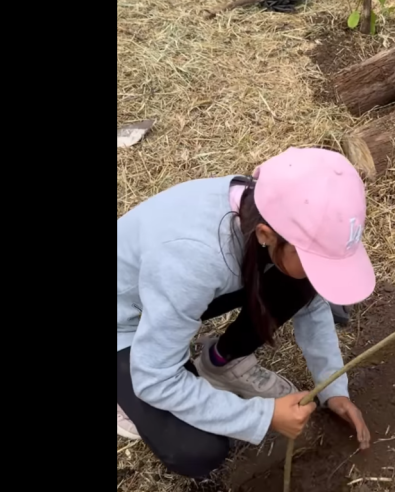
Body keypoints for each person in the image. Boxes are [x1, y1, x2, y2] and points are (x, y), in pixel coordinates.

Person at [117, 148, 375, 478]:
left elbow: (310, 303)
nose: (318, 274)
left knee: (297, 282)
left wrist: (334, 390)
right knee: (197, 451)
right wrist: (264, 416)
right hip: (125, 322)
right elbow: (155, 379)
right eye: (313, 260)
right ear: (266, 234)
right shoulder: (194, 256)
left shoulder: (266, 211)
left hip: (161, 293)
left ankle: (220, 363)